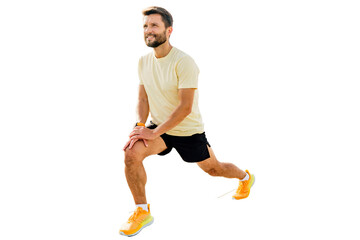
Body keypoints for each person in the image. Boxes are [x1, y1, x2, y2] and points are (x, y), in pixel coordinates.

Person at [119, 6, 255, 237]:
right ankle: (142, 211)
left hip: (188, 131)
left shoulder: (184, 62)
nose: (148, 30)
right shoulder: (143, 61)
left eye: (154, 25)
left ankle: (245, 177)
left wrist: (153, 132)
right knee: (131, 153)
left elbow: (185, 107)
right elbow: (143, 98)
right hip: (159, 129)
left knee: (215, 169)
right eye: (145, 26)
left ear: (169, 30)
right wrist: (141, 127)